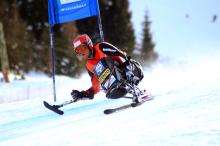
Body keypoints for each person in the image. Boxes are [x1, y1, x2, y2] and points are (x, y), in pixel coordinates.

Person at [71, 34, 144, 103]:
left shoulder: (101, 47)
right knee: (100, 71)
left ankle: (129, 88)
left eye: (82, 48)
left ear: (89, 45)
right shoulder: (89, 65)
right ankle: (115, 88)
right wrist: (83, 94)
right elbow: (96, 86)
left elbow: (120, 55)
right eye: (78, 51)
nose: (81, 53)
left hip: (133, 70)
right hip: (118, 83)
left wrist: (128, 69)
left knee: (103, 62)